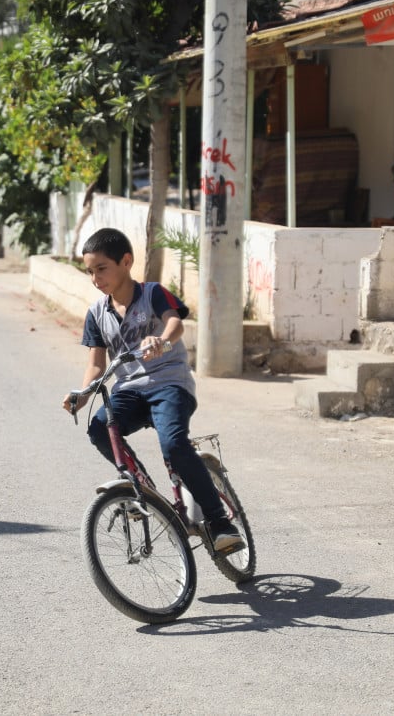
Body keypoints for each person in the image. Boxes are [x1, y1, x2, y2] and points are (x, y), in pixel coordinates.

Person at [61, 227, 244, 553]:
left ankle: (220, 522)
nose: (95, 278)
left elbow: (175, 323)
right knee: (99, 427)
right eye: (90, 271)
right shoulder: (96, 313)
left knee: (173, 445)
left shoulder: (153, 293)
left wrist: (163, 339)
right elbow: (96, 365)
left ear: (126, 261)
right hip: (129, 390)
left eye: (101, 268)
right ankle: (143, 488)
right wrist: (83, 392)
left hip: (169, 384)